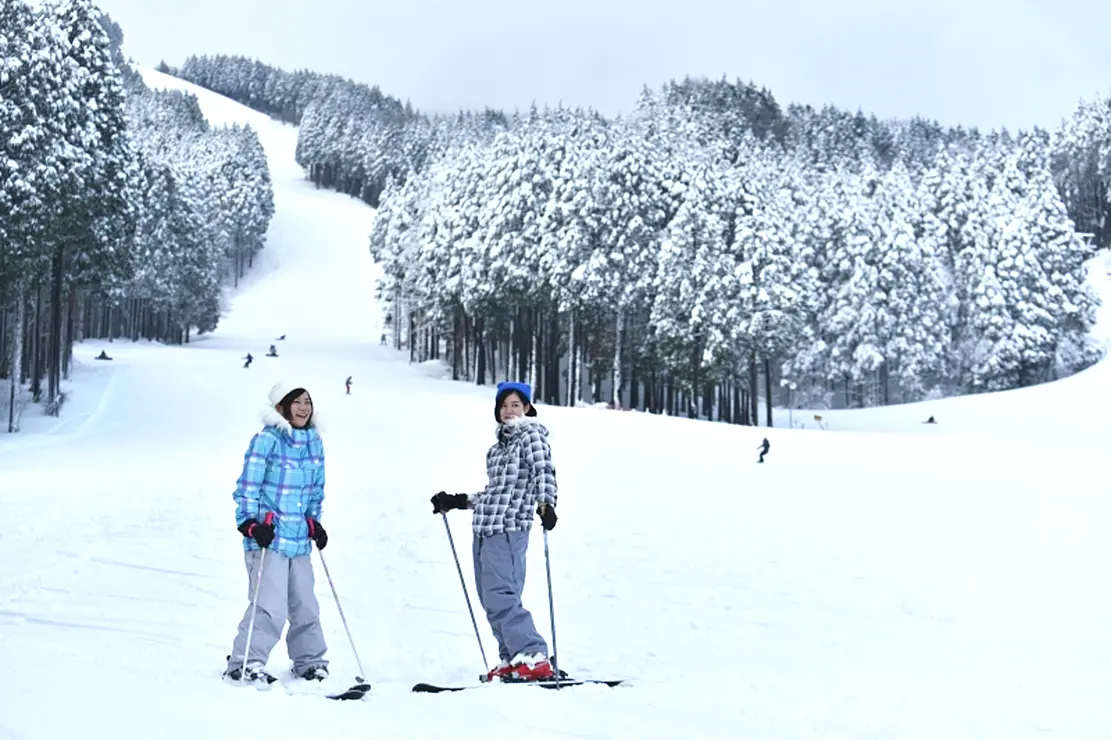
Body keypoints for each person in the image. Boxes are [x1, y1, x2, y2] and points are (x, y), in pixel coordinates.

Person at [431, 381, 558, 683]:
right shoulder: (497, 450)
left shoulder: (531, 437)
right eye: (504, 406)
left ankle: (532, 654)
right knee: (490, 599)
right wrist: (459, 501)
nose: (509, 411)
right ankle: (512, 656)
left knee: (503, 595)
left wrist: (546, 503)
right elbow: (494, 492)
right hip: (486, 528)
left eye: (515, 404)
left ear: (527, 408)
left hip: (510, 529)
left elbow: (544, 470)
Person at [223, 382, 330, 685]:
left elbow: (316, 490)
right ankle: (244, 663)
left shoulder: (314, 443)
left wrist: (315, 522)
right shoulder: (266, 441)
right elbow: (247, 487)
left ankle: (310, 662)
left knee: (305, 605)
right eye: (296, 402)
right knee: (269, 606)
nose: (303, 408)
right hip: (268, 538)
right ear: (280, 408)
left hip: (298, 540)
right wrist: (250, 524)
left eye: (307, 402)